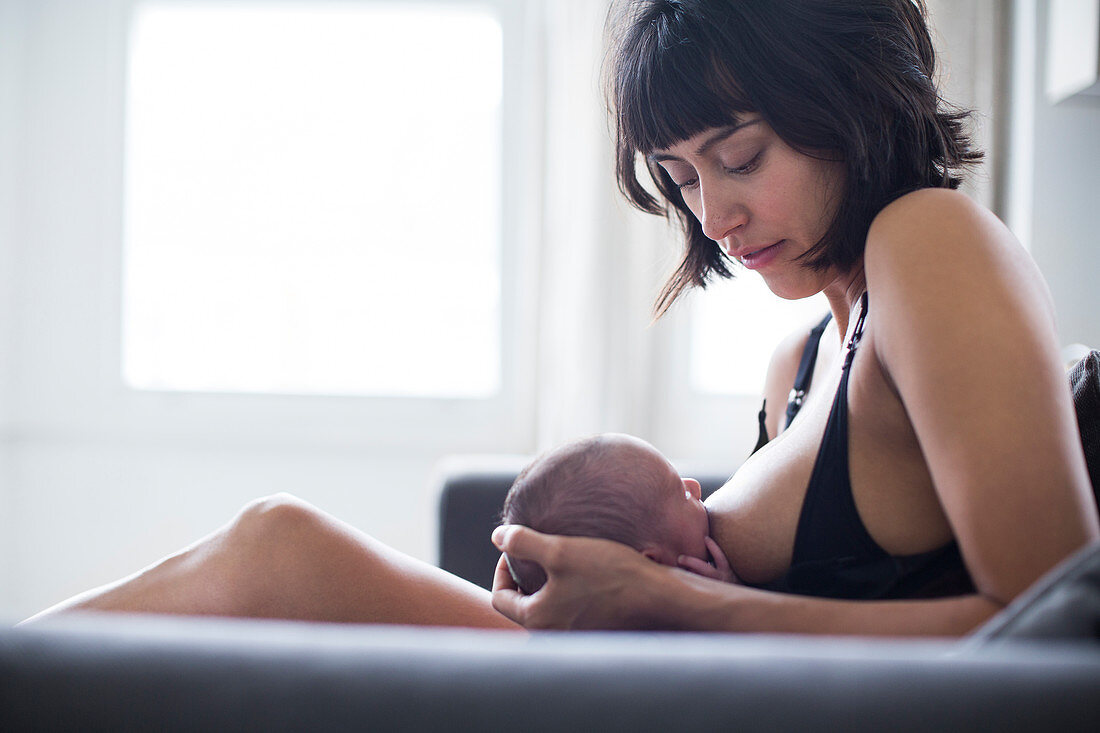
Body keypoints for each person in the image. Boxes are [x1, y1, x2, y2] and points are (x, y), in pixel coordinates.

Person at [24, 0, 1099, 634]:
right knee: (274, 552)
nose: (712, 214)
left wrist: (670, 606)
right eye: (679, 179)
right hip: (671, 682)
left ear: (849, 102)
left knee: (279, 550)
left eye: (740, 158)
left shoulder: (929, 242)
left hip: (715, 695)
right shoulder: (798, 360)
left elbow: (1056, 624)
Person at [500, 433, 733, 594]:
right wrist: (727, 591)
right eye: (681, 493)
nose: (694, 486)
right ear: (648, 565)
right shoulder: (683, 623)